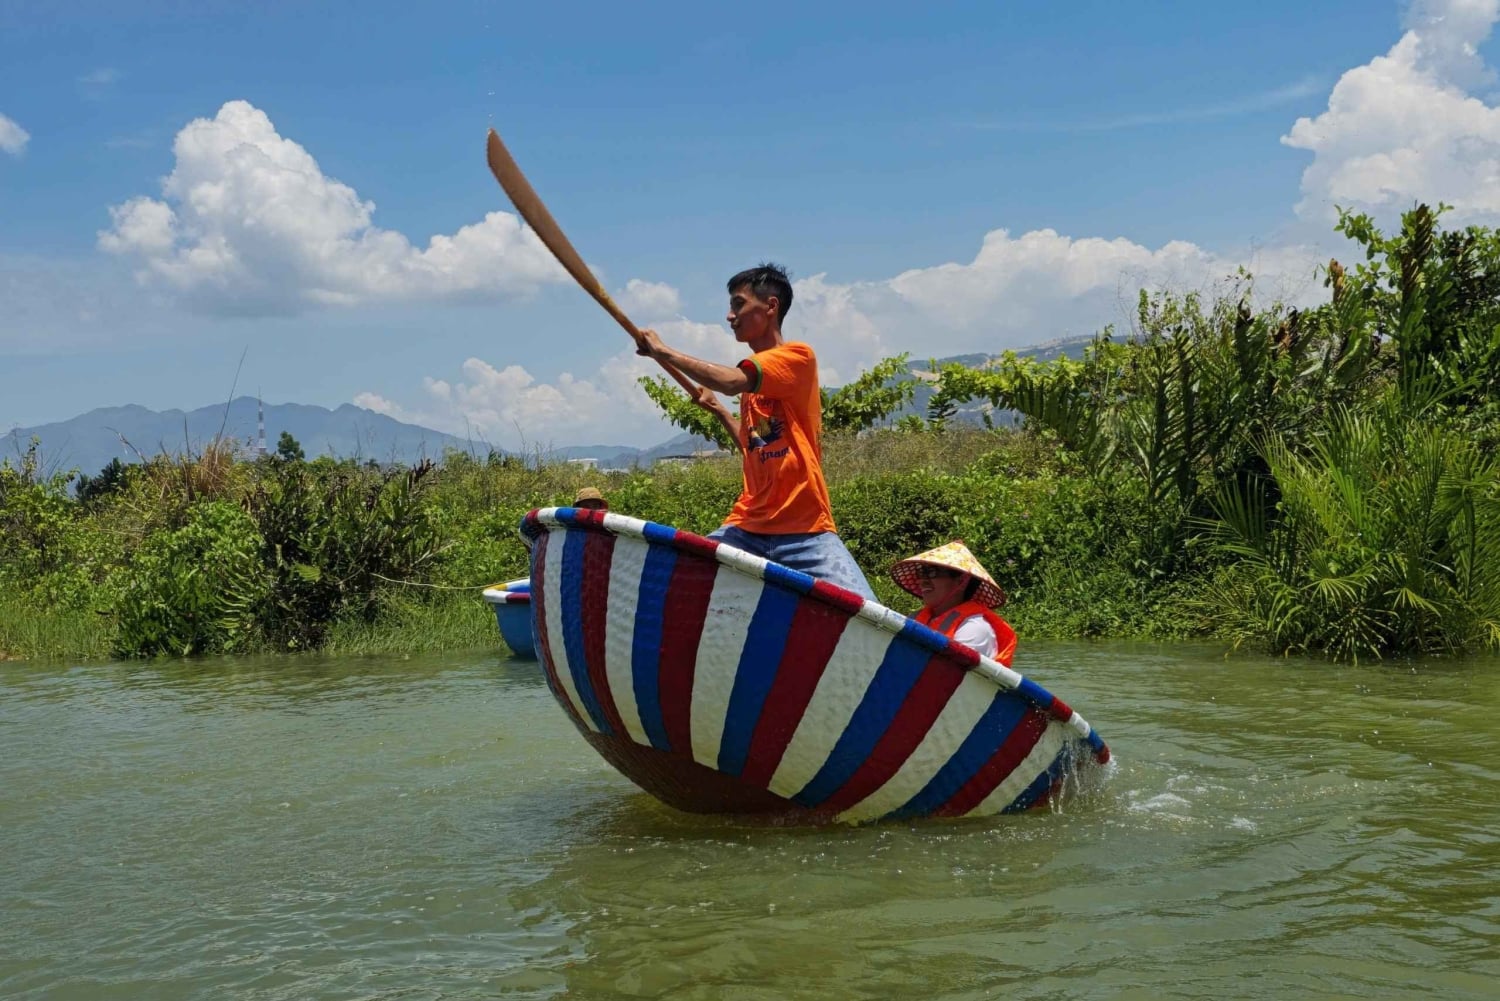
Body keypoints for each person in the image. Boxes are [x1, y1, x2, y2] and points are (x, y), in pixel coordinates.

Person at [632, 263, 876, 600]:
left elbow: (731, 381)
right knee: (677, 587)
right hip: (746, 526)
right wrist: (719, 411)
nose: (730, 316)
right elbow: (755, 447)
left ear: (771, 307)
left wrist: (663, 351)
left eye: (738, 304)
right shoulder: (754, 388)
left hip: (804, 529)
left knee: (867, 613)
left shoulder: (797, 358)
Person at [891, 541, 1017, 666]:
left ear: (961, 581)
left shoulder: (974, 628)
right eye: (922, 573)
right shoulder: (913, 619)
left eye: (932, 572)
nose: (922, 581)